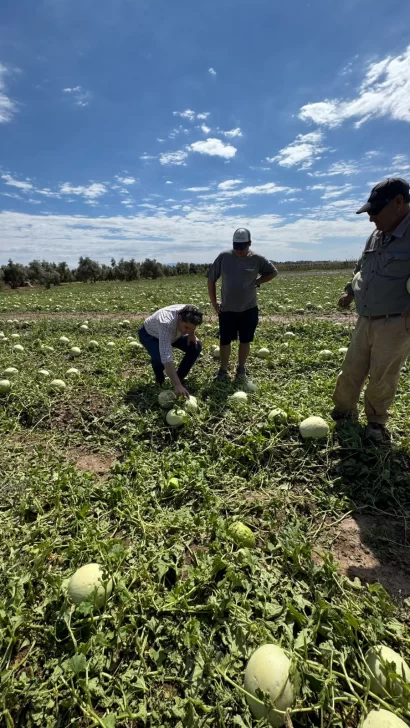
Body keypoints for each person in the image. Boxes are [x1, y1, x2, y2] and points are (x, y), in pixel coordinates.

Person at [332, 177, 410, 443]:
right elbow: (361, 267)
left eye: (375, 212)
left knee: (383, 374)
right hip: (365, 317)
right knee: (352, 367)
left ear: (399, 202)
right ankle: (344, 409)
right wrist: (350, 290)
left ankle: (376, 422)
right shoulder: (376, 235)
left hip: (396, 321)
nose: (371, 218)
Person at [207, 228, 277, 380]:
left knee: (245, 340)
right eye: (236, 246)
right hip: (227, 309)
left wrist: (257, 282)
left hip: (249, 308)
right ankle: (223, 369)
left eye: (242, 247)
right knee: (225, 340)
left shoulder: (257, 259)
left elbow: (272, 272)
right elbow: (211, 279)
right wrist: (214, 302)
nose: (238, 250)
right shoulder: (224, 257)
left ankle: (241, 368)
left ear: (249, 244)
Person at [138, 304, 203, 398]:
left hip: (174, 335)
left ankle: (179, 377)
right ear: (179, 318)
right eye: (186, 327)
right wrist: (177, 385)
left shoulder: (192, 312)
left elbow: (190, 326)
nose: (187, 331)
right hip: (151, 336)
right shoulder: (166, 323)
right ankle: (160, 381)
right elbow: (166, 356)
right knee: (159, 359)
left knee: (195, 346)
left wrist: (191, 334)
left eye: (191, 329)